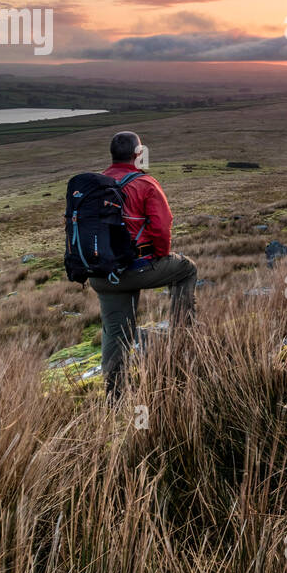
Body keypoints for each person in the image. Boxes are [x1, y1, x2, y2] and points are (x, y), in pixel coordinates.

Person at [88, 131, 196, 397]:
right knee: (187, 270)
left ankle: (115, 399)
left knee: (115, 334)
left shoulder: (94, 185)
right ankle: (183, 340)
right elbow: (161, 229)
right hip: (137, 269)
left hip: (101, 273)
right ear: (137, 154)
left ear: (112, 155)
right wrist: (160, 256)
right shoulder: (145, 184)